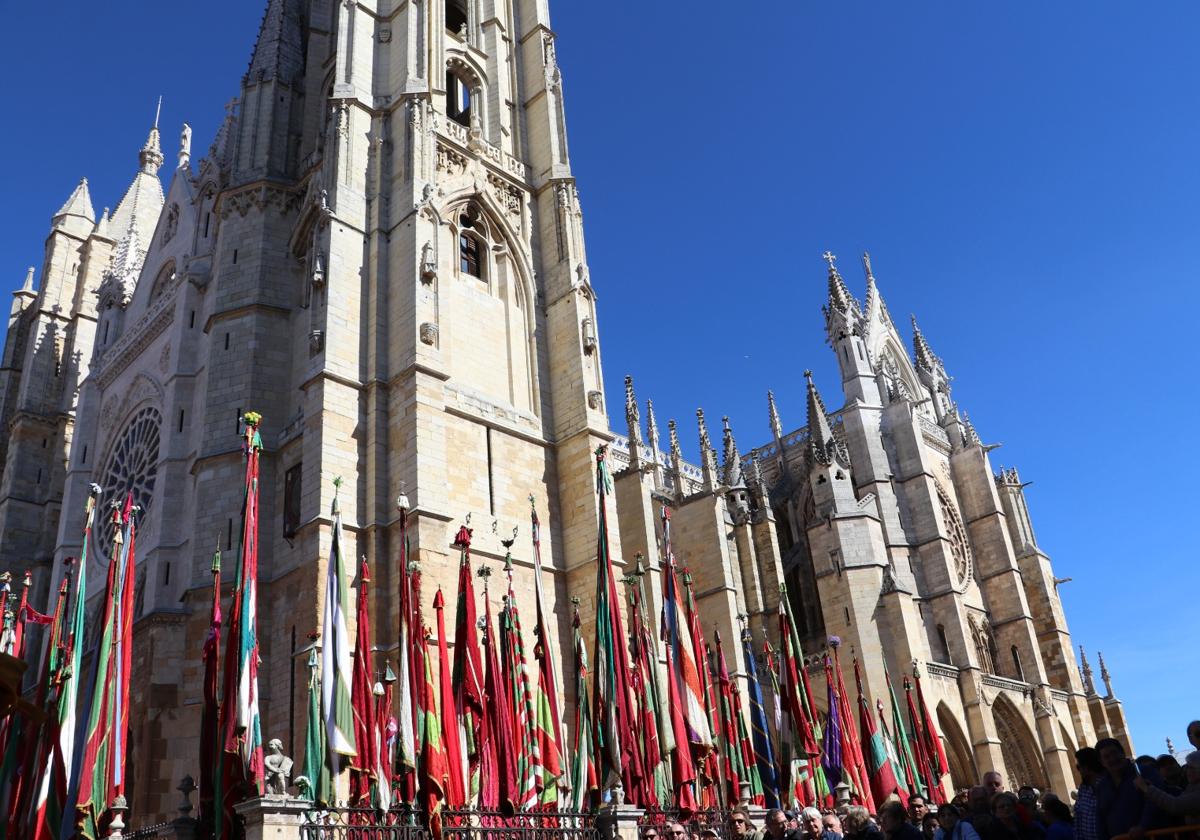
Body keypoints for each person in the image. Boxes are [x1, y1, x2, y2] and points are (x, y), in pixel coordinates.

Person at [1095, 736, 1170, 839]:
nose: (1112, 758)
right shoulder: (1102, 786)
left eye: (1114, 753)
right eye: (1107, 756)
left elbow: (1155, 802)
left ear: (1123, 753)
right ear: (1102, 762)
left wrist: (1142, 826)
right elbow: (1100, 817)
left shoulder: (1144, 772)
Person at [1135, 749, 1200, 825]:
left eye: (1192, 767)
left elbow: (1175, 805)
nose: (1168, 767)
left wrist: (1147, 788)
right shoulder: (1190, 788)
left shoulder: (1182, 790)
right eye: (1163, 765)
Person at [1074, 747, 1104, 840]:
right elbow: (1078, 820)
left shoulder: (1107, 785)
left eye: (1079, 767)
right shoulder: (1083, 789)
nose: (1079, 771)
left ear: (1087, 767)